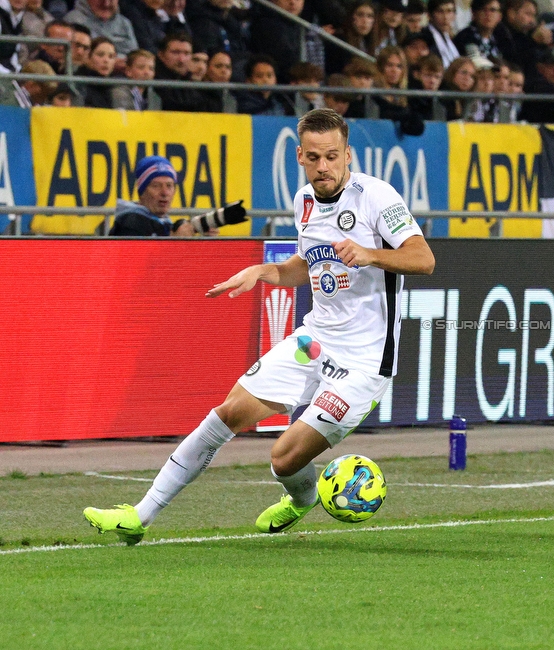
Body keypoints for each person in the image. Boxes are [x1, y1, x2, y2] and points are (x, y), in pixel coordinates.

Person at [84, 109, 436, 545]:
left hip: (364, 361)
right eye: (313, 157)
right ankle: (139, 516)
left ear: (348, 154)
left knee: (283, 458)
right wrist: (266, 271)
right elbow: (308, 266)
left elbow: (423, 259)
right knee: (227, 413)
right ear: (299, 156)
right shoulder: (304, 200)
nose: (323, 167)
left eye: (332, 156)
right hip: (315, 340)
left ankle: (302, 498)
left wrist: (371, 254)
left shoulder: (377, 197)